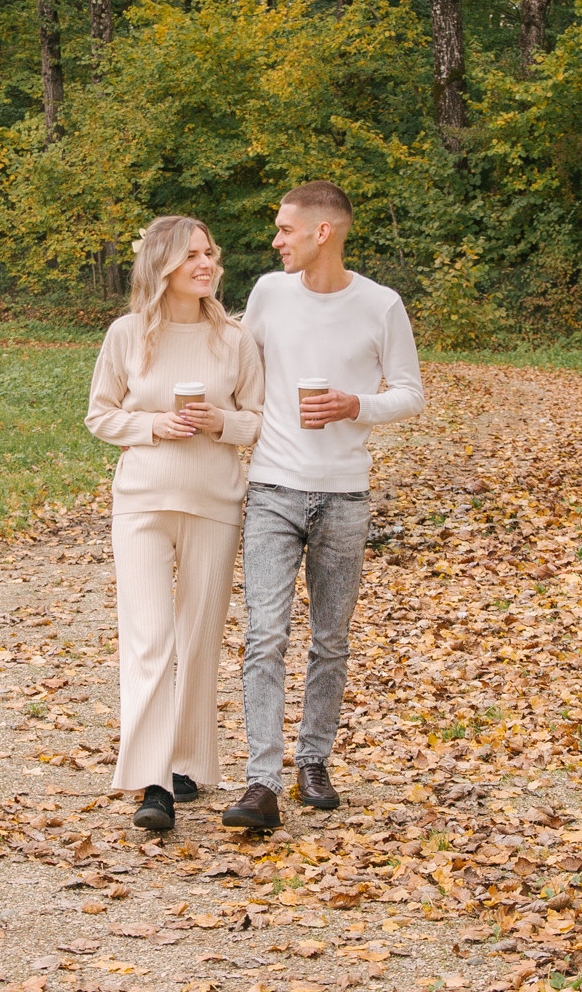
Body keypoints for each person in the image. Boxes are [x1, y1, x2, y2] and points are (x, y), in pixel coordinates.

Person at [222, 181, 422, 833]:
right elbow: (235, 362)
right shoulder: (268, 293)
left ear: (322, 233)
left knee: (330, 641)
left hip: (345, 496)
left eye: (285, 229)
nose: (276, 240)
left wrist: (354, 405)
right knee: (265, 635)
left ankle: (313, 762)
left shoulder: (381, 305)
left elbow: (410, 393)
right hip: (274, 488)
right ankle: (261, 782)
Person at [86, 217, 266, 836]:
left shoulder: (236, 340)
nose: (206, 262)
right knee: (148, 638)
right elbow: (101, 416)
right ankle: (153, 779)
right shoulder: (127, 335)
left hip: (215, 499)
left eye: (211, 251)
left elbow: (258, 421)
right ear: (162, 263)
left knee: (198, 639)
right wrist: (153, 426)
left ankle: (188, 762)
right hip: (142, 500)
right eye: (192, 254)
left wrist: (220, 423)